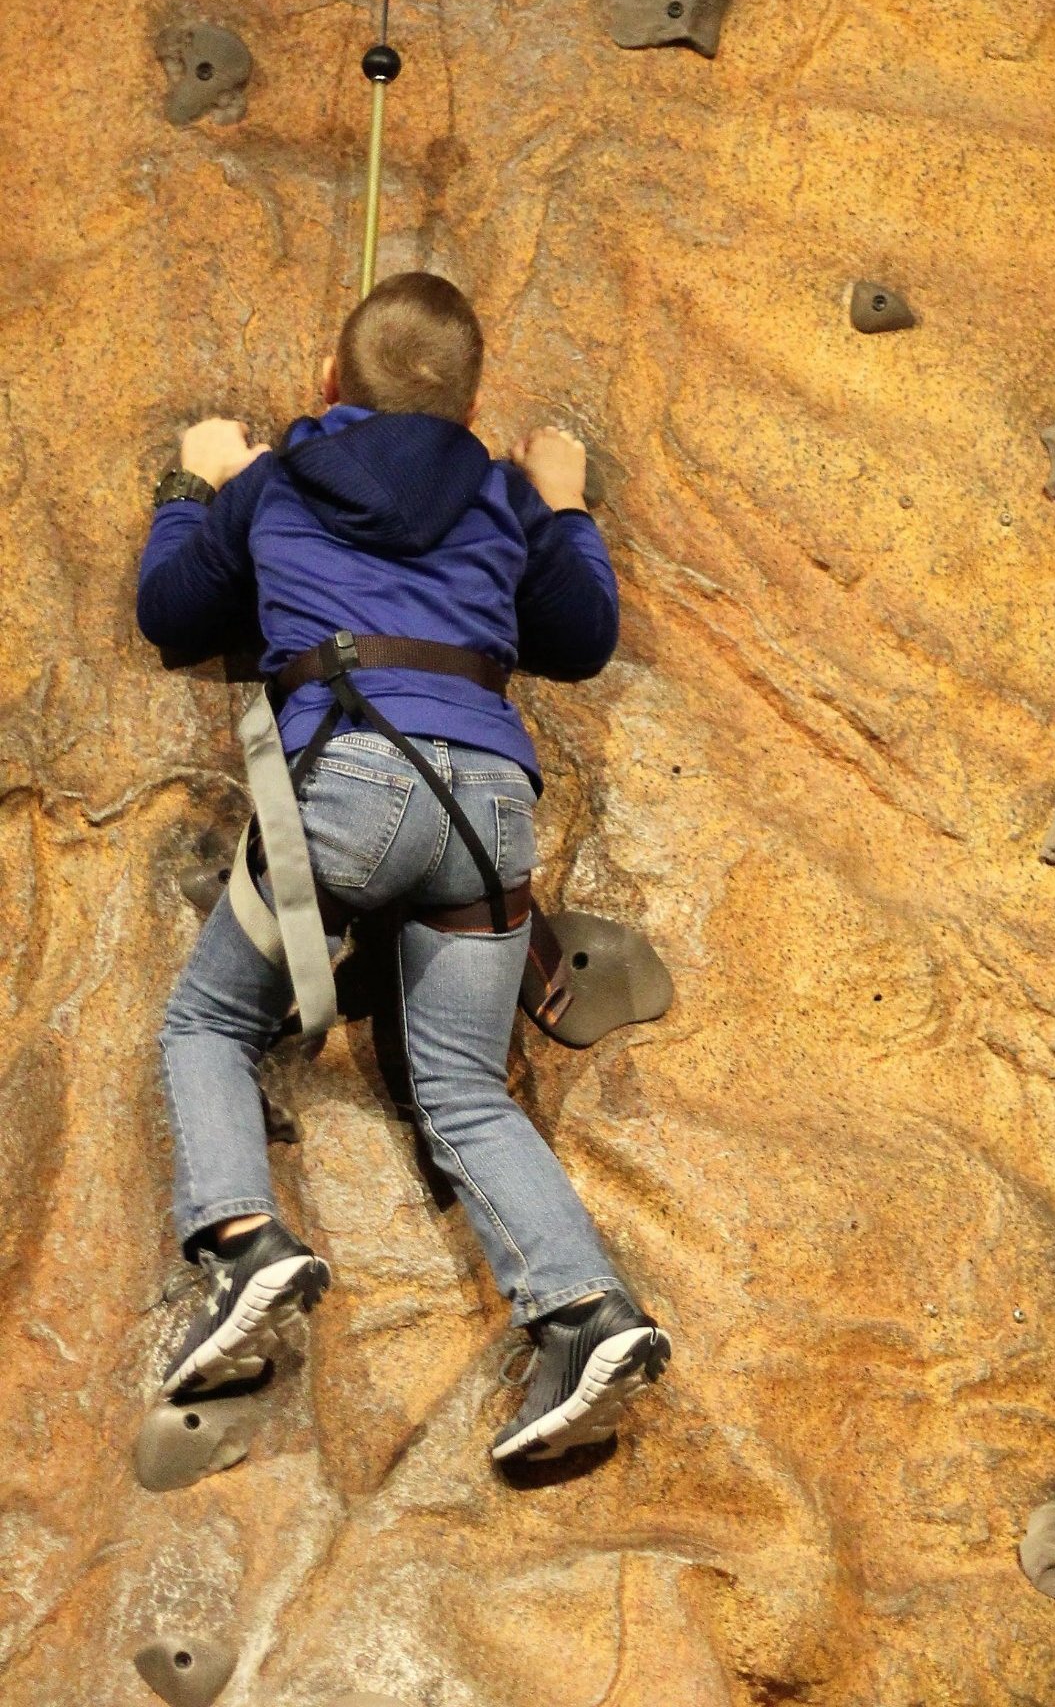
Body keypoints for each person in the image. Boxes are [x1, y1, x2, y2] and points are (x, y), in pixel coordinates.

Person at [138, 270, 668, 1463]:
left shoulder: (275, 480)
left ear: (329, 379)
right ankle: (586, 1310)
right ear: (474, 406)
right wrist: (562, 503)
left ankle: (243, 1245)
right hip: (490, 809)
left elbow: (171, 611)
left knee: (208, 1023)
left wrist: (195, 483)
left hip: (350, 787)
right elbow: (580, 637)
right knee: (466, 1088)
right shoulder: (500, 496)